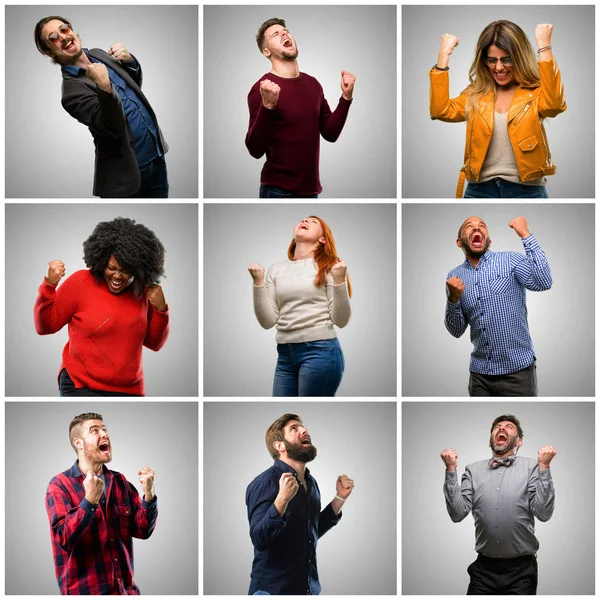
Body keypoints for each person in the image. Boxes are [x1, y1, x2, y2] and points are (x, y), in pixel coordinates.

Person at [34, 16, 169, 198]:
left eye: (64, 29)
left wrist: (130, 62)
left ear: (72, 31)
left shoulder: (98, 53)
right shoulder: (71, 93)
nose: (63, 36)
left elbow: (132, 88)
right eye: (53, 37)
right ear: (49, 52)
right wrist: (104, 87)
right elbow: (111, 127)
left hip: (157, 156)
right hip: (127, 175)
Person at [34, 217, 169, 396]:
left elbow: (155, 344)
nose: (118, 276)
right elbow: (45, 327)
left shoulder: (142, 292)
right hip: (80, 384)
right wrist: (49, 286)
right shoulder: (80, 282)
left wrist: (161, 309)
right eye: (111, 268)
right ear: (101, 260)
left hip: (131, 389)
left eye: (125, 270)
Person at [430, 21, 566, 198]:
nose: (499, 67)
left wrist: (544, 46)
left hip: (528, 190)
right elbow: (440, 110)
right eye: (492, 60)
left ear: (519, 57)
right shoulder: (476, 94)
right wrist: (443, 56)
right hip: (479, 190)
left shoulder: (535, 92)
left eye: (507, 59)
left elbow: (554, 106)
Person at [440, 414, 556, 594]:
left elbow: (543, 513)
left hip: (522, 571)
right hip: (483, 570)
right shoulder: (472, 470)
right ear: (490, 441)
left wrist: (544, 467)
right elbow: (457, 514)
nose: (501, 428)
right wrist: (451, 470)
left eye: (509, 426)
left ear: (518, 442)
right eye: (497, 427)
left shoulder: (533, 467)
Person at [46, 412, 157, 595]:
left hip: (126, 592)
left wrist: (149, 495)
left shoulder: (119, 481)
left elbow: (142, 530)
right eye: (95, 430)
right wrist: (89, 501)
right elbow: (64, 538)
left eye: (104, 429)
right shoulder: (59, 486)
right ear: (78, 443)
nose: (104, 434)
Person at [245, 18, 356, 198]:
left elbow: (330, 132)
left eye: (285, 30)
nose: (284, 33)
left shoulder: (313, 84)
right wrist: (268, 106)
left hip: (311, 191)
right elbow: (255, 150)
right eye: (275, 34)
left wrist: (346, 98)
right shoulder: (262, 89)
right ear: (266, 51)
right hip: (277, 191)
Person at [246, 413, 354, 595]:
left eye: (302, 426)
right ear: (279, 445)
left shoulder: (311, 483)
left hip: (308, 590)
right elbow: (259, 539)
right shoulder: (265, 482)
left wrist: (340, 498)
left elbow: (310, 531)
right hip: (273, 591)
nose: (304, 430)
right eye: (294, 429)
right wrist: (282, 500)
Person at [445, 215, 551, 396]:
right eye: (469, 226)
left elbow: (544, 282)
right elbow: (456, 331)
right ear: (459, 242)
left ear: (489, 240)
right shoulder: (454, 276)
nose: (477, 228)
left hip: (517, 373)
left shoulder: (511, 260)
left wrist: (525, 234)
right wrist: (453, 300)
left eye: (482, 226)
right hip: (479, 376)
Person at [248, 216, 351, 396]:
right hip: (285, 355)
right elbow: (268, 322)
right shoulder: (275, 269)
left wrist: (340, 280)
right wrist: (258, 282)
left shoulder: (330, 266)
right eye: (303, 219)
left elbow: (341, 321)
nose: (305, 220)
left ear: (323, 239)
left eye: (313, 222)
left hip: (320, 352)